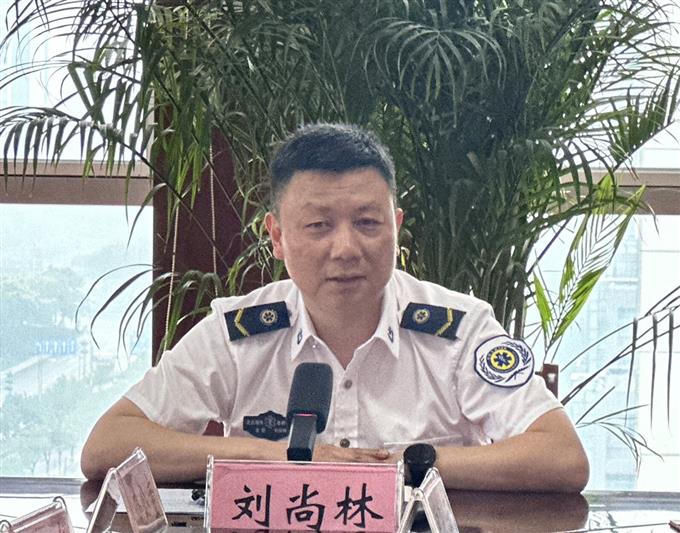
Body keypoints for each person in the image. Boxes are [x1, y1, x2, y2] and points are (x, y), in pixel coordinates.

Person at [81, 123, 589, 491]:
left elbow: (562, 457)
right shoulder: (237, 333)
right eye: (318, 225)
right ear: (277, 237)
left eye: (367, 223)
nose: (345, 248)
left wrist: (403, 464)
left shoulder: (461, 329)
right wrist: (278, 458)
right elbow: (107, 446)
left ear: (396, 227)